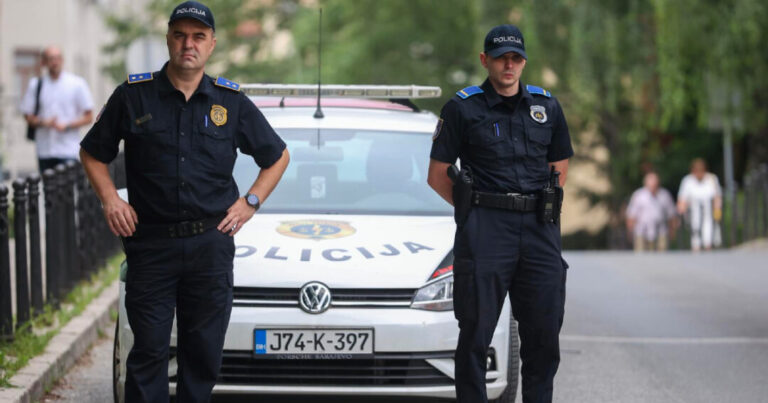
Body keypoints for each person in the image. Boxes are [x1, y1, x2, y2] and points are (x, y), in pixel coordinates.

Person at [79, 1, 289, 401]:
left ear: (211, 45)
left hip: (210, 244)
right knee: (149, 352)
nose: (187, 44)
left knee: (203, 353)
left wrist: (251, 202)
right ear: (168, 41)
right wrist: (110, 199)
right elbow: (92, 152)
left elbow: (277, 156)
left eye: (197, 37)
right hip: (152, 245)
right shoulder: (132, 97)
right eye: (180, 35)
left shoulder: (231, 102)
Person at [428, 24, 573, 403]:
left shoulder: (547, 106)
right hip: (486, 229)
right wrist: (472, 210)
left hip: (539, 228)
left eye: (515, 58)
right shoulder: (462, 107)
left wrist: (542, 203)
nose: (508, 65)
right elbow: (437, 175)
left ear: (523, 62)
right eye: (500, 58)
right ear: (485, 60)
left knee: (544, 337)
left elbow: (559, 165)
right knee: (475, 336)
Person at [20, 46, 94, 172]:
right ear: (44, 62)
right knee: (48, 187)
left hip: (68, 149)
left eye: (57, 58)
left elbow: (89, 116)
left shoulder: (77, 83)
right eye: (50, 59)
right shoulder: (36, 85)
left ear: (62, 60)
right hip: (44, 149)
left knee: (67, 189)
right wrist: (43, 122)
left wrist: (67, 126)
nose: (54, 62)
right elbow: (28, 115)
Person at [626, 172, 677, 251]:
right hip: (642, 231)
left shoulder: (664, 195)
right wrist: (630, 231)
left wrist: (672, 230)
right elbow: (631, 215)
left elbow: (671, 214)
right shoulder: (638, 195)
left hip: (661, 231)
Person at [677, 158, 722, 251]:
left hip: (709, 215)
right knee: (696, 241)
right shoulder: (687, 181)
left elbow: (717, 198)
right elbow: (682, 200)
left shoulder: (712, 179)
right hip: (694, 215)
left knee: (708, 239)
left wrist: (717, 212)